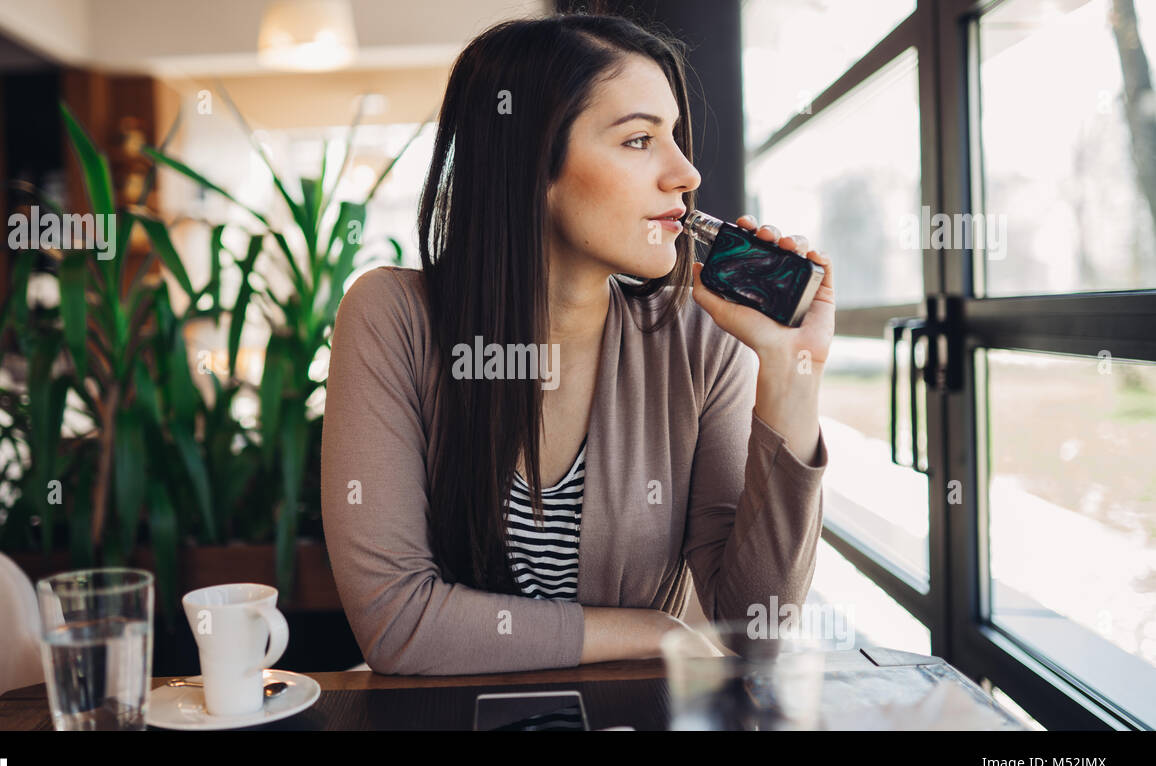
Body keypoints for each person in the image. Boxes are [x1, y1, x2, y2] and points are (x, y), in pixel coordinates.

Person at [321, 11, 834, 675]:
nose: (685, 173)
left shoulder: (703, 340)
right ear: (532, 162)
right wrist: (651, 631)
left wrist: (793, 375)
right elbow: (396, 622)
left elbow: (755, 629)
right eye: (639, 140)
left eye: (674, 136)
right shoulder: (390, 317)